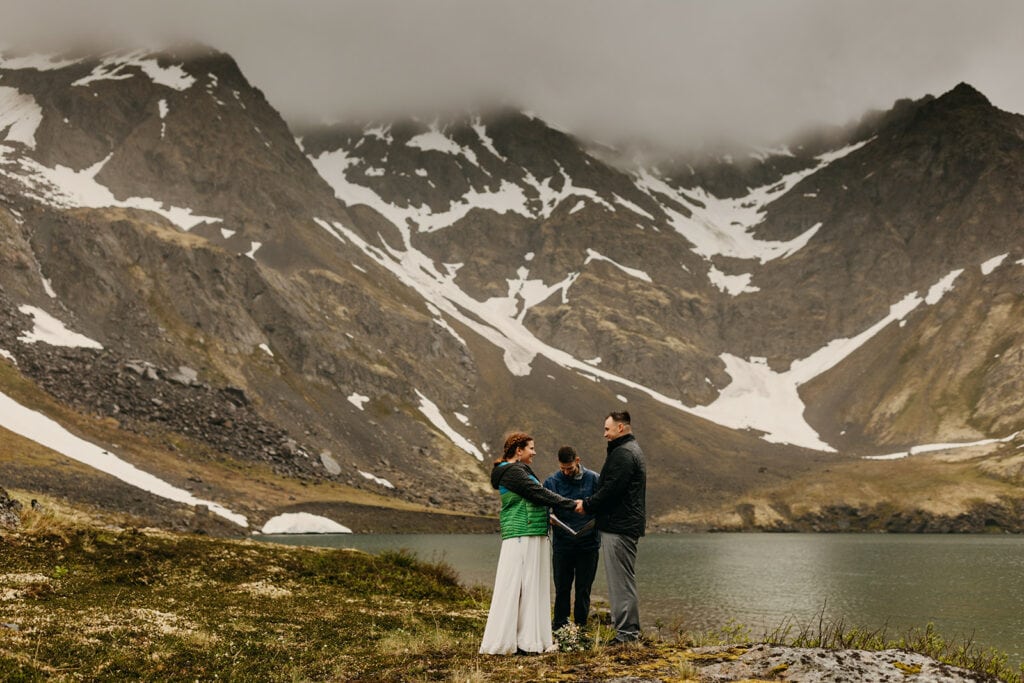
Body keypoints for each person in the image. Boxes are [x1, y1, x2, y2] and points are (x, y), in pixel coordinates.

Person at [480, 431, 580, 655]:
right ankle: (517, 641)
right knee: (520, 584)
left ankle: (525, 640)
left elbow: (531, 498)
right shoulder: (513, 471)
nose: (534, 452)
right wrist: (573, 504)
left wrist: (548, 516)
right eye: (531, 448)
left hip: (529, 531)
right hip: (522, 533)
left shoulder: (513, 471)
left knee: (526, 585)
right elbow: (538, 493)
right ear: (519, 450)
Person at [576, 410, 647, 645]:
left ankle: (627, 635)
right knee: (621, 579)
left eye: (607, 429)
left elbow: (611, 489)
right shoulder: (627, 450)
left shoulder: (624, 454)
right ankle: (625, 632)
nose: (604, 433)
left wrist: (586, 505)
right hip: (622, 524)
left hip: (620, 526)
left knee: (621, 581)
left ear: (620, 428)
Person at [543, 445, 600, 633]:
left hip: (588, 543)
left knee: (583, 589)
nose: (566, 472)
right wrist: (548, 519)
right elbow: (544, 509)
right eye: (562, 469)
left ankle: (581, 627)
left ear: (578, 460)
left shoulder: (594, 479)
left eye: (570, 468)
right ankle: (560, 627)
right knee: (562, 588)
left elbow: (603, 506)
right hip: (562, 544)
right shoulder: (551, 482)